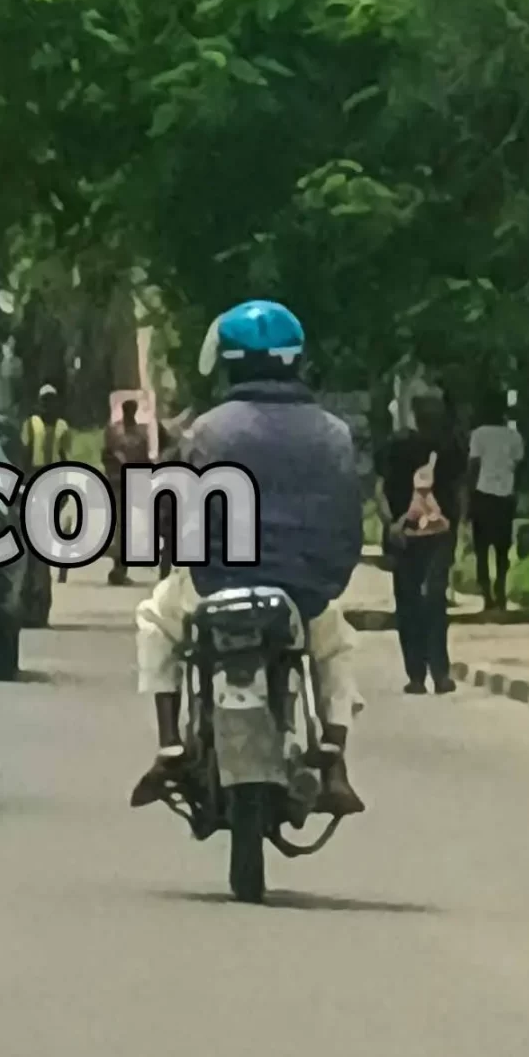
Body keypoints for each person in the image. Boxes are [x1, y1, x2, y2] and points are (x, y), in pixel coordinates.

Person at [129, 300, 366, 816]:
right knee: (336, 646)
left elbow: (173, 511)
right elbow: (350, 523)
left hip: (215, 584)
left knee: (154, 619)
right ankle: (334, 754)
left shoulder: (205, 432)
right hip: (303, 592)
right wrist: (325, 578)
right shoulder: (335, 434)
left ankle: (170, 742)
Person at [381, 395, 465, 694]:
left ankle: (437, 672)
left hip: (437, 535)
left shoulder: (450, 448)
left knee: (431, 600)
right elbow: (382, 487)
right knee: (413, 603)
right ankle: (419, 674)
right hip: (407, 535)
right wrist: (391, 523)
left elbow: (458, 490)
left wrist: (457, 529)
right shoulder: (400, 446)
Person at [466, 398, 523, 611]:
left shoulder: (478, 434)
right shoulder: (514, 436)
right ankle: (500, 588)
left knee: (481, 549)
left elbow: (473, 465)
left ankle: (486, 594)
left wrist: (468, 495)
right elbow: (518, 465)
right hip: (505, 495)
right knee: (502, 548)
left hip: (483, 495)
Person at [22, 385, 74, 582]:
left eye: (51, 400)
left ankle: (61, 565)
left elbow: (66, 455)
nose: (48, 405)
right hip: (35, 476)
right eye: (45, 400)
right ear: (39, 402)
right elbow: (25, 451)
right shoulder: (31, 424)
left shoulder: (63, 427)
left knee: (59, 525)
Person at [102, 396, 153, 585]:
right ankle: (118, 570)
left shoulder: (140, 433)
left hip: (135, 483)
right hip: (117, 484)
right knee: (120, 527)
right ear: (123, 411)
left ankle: (121, 568)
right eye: (127, 409)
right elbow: (106, 455)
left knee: (131, 528)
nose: (130, 412)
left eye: (133, 409)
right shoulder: (114, 431)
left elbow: (145, 458)